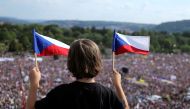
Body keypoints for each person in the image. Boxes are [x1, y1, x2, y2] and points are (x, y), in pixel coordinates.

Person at [26, 39, 129, 109]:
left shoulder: (60, 93)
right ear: (98, 61)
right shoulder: (107, 94)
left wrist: (34, 84)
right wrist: (118, 85)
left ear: (70, 62)